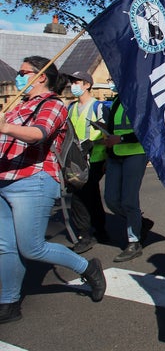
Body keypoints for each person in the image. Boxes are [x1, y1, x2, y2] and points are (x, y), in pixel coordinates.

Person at [0, 56, 106, 324]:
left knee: (32, 247)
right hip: (3, 178)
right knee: (6, 247)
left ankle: (88, 268)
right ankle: (9, 303)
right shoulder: (17, 106)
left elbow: (39, 133)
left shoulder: (54, 104)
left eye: (24, 73)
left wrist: (4, 126)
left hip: (33, 180)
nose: (19, 77)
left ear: (41, 76)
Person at [102, 82, 154, 262]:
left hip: (135, 153)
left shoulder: (142, 101)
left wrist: (122, 138)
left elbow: (146, 130)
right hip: (115, 155)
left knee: (129, 200)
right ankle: (140, 223)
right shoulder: (117, 100)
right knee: (111, 199)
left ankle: (134, 241)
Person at [66, 70, 110, 253]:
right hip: (76, 159)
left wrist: (93, 142)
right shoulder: (70, 108)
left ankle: (86, 235)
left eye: (77, 82)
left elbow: (108, 132)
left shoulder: (98, 107)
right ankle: (100, 229)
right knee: (88, 194)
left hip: (96, 158)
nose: (73, 85)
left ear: (87, 85)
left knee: (80, 194)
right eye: (72, 82)